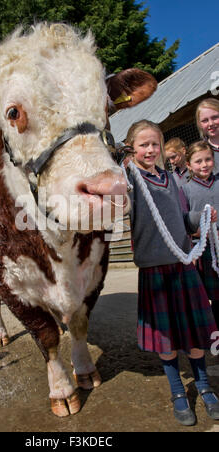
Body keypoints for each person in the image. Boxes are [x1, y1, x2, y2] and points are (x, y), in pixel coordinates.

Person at [125, 119, 219, 426]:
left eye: (155, 144)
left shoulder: (172, 178)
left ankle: (204, 386)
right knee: (167, 341)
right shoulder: (129, 179)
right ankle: (178, 391)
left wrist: (201, 216)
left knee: (194, 336)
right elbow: (116, 199)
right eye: (144, 144)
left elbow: (183, 219)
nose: (151, 149)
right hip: (155, 270)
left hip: (183, 265)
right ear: (132, 148)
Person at [181, 141, 219, 329]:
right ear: (188, 165)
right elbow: (184, 221)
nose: (204, 165)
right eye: (198, 161)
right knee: (204, 296)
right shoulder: (185, 190)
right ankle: (209, 334)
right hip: (201, 249)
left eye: (208, 159)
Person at [195, 98, 219, 171]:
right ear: (199, 124)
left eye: (215, 117)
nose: (211, 123)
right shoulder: (199, 153)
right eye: (205, 120)